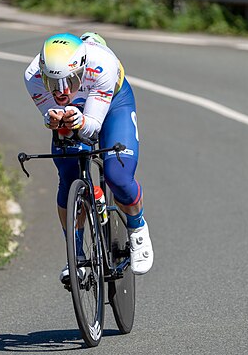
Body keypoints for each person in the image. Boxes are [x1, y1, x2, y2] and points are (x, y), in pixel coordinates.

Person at [24, 32, 153, 282]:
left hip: (113, 104)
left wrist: (80, 121)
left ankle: (137, 227)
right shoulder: (32, 76)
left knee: (118, 175)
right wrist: (52, 118)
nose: (61, 91)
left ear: (81, 69)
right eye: (53, 82)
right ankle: (76, 255)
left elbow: (92, 125)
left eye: (69, 81)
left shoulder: (102, 64)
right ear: (42, 72)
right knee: (68, 176)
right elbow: (54, 115)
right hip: (77, 112)